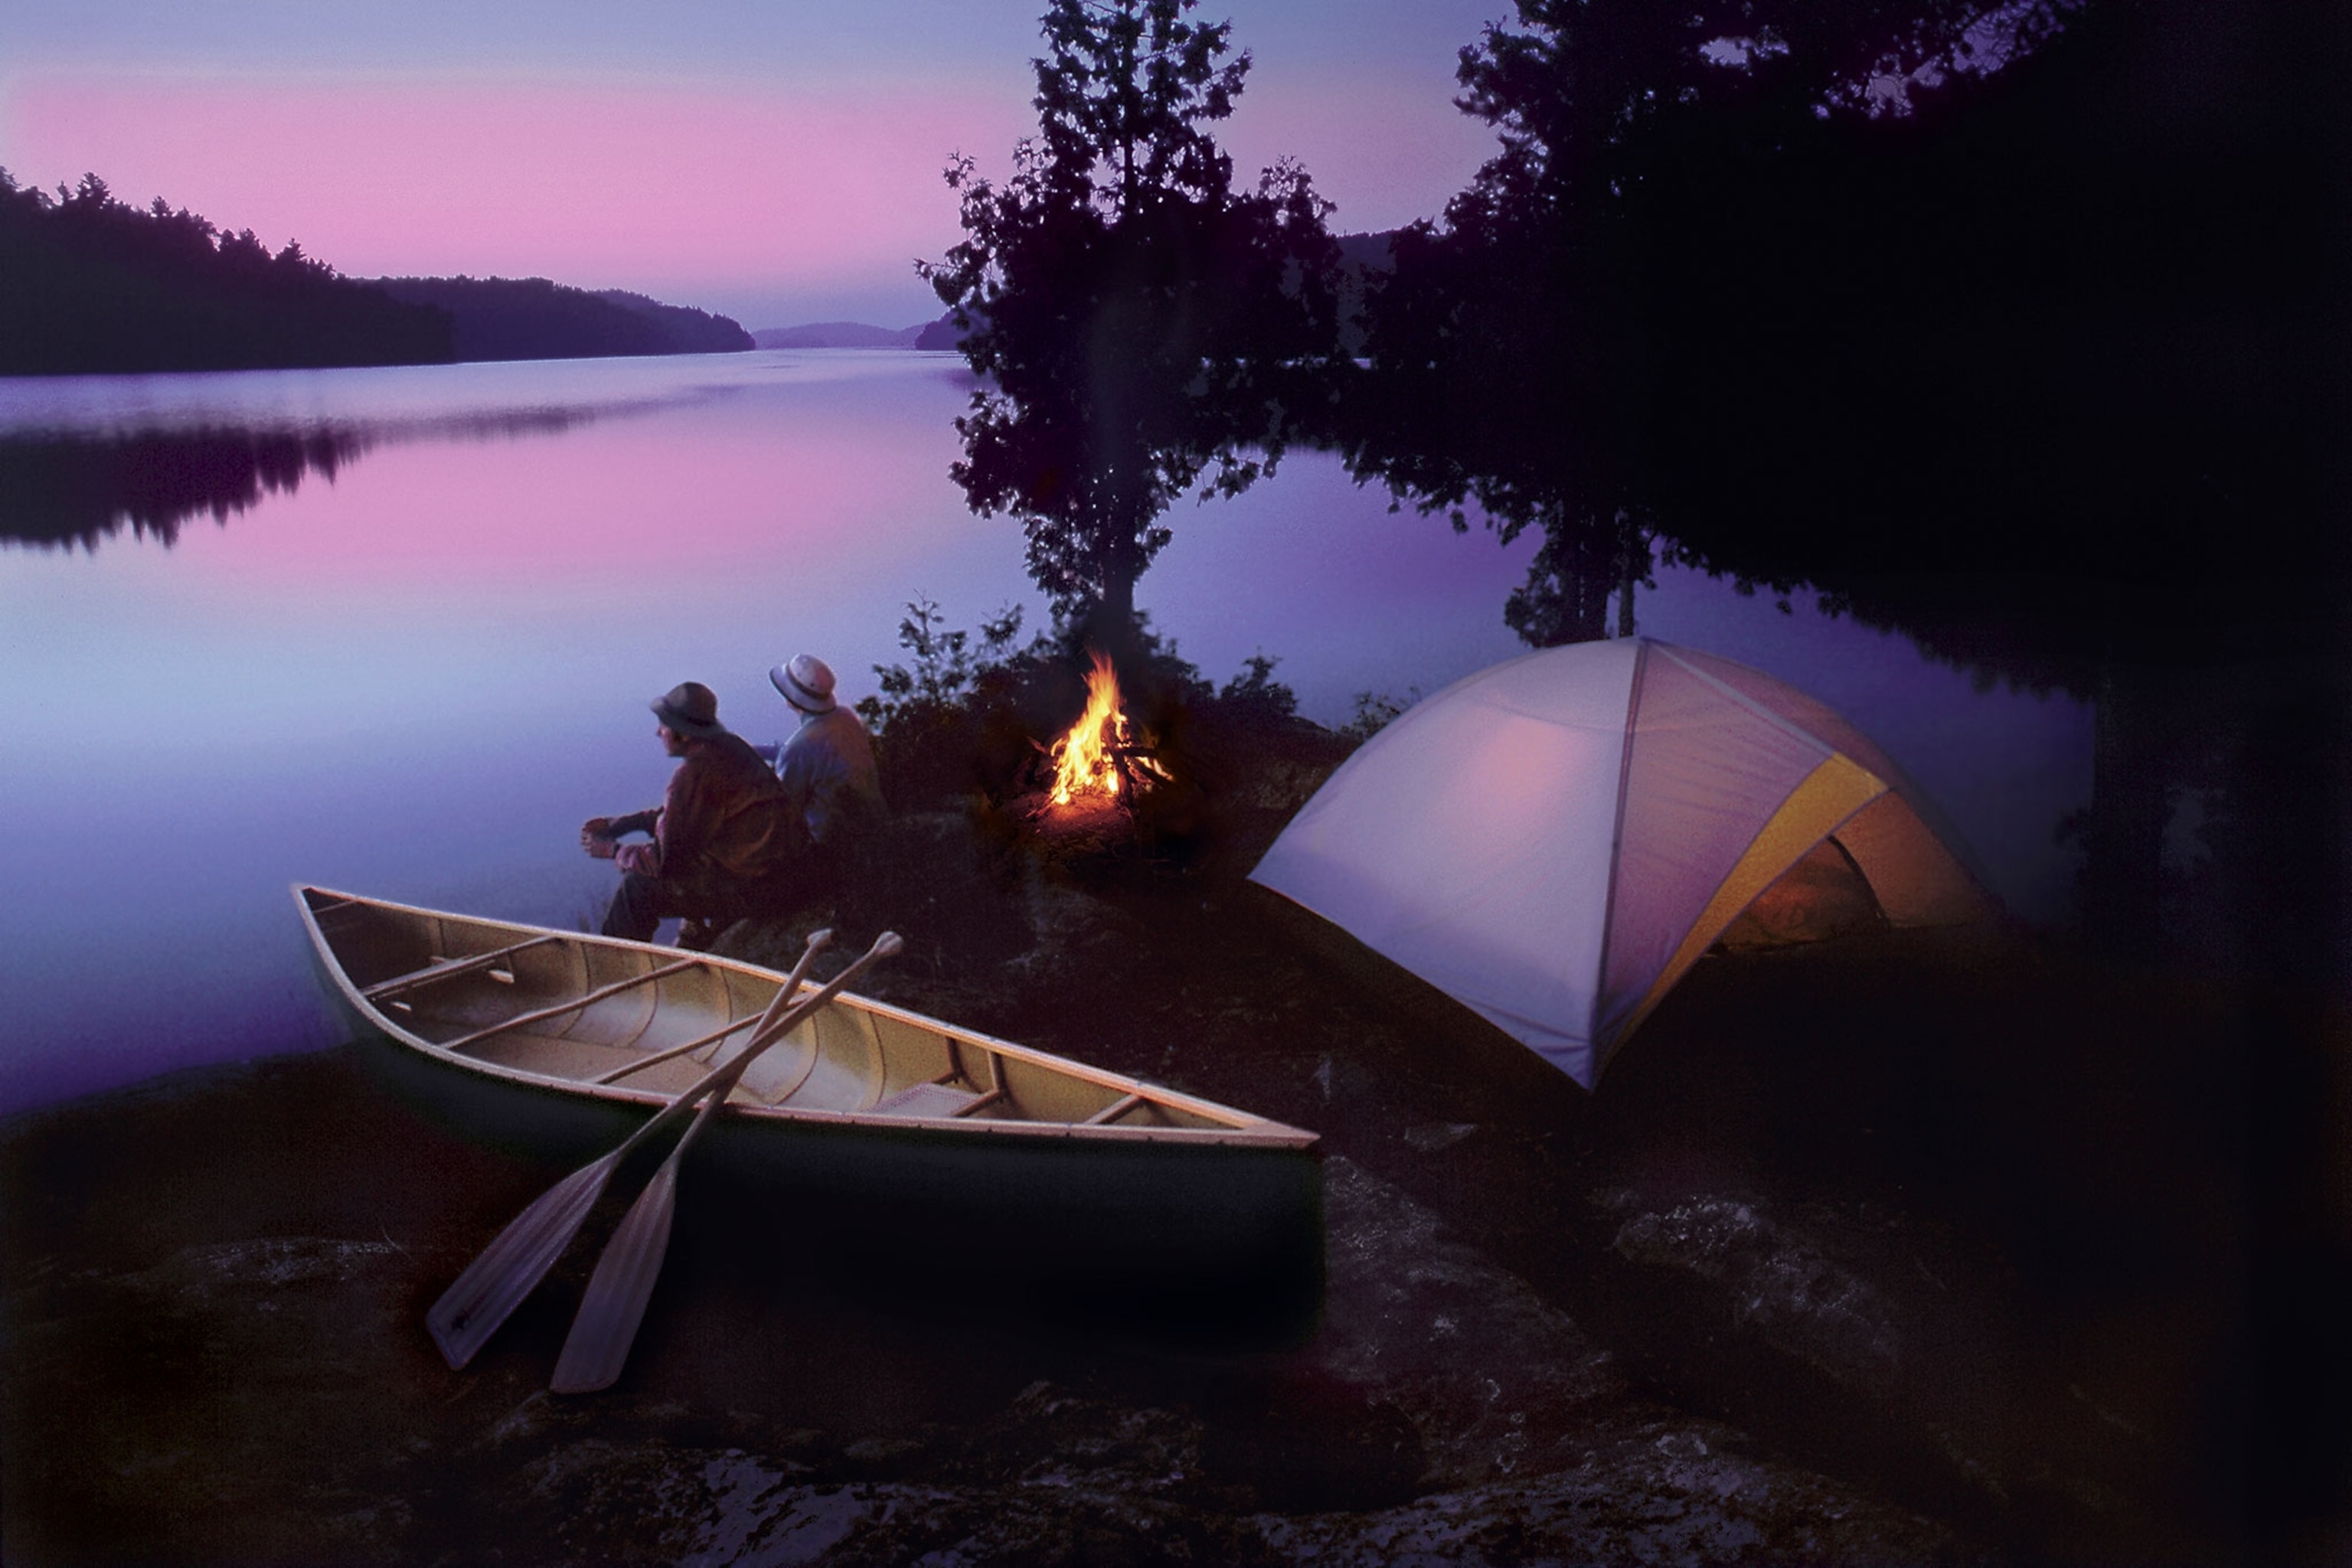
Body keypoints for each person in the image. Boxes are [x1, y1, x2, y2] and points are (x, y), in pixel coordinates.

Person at [583, 681, 806, 948]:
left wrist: (612, 850)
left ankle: (612, 967)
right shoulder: (730, 747)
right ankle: (695, 942)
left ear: (684, 734)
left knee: (638, 888)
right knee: (690, 865)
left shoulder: (693, 774)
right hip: (778, 874)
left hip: (754, 888)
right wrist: (621, 824)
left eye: (664, 725)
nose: (659, 732)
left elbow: (664, 862)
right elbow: (684, 821)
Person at [768, 654, 885, 867]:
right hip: (874, 825)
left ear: (792, 699)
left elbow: (786, 805)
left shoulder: (801, 746)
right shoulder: (846, 717)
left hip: (830, 845)